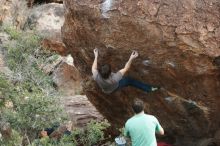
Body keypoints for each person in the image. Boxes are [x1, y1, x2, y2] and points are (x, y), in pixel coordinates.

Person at [92, 48, 159, 94]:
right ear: (110, 73)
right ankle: (149, 89)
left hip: (106, 90)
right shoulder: (115, 78)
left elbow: (94, 67)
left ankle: (148, 89)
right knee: (130, 80)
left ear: (99, 71)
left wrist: (96, 56)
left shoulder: (96, 75)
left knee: (126, 80)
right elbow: (126, 68)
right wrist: (131, 58)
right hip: (115, 87)